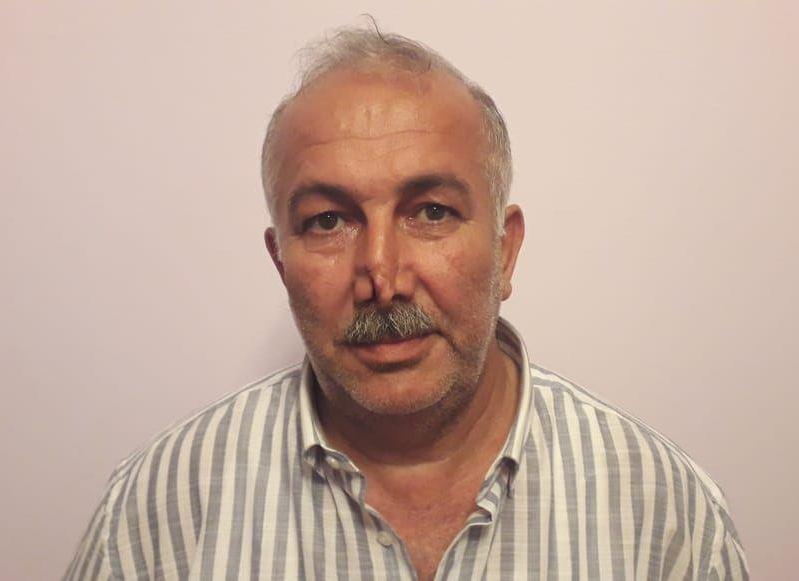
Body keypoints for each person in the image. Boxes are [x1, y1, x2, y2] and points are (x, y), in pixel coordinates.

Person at [64, 26, 748, 581]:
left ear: (505, 252)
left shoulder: (663, 514)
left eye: (431, 212)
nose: (382, 276)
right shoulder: (159, 511)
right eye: (329, 221)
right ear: (281, 263)